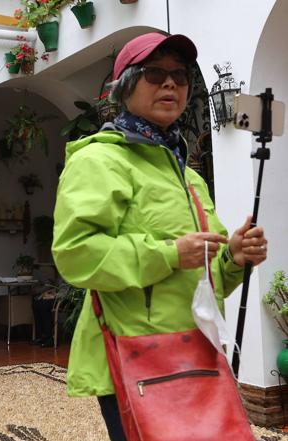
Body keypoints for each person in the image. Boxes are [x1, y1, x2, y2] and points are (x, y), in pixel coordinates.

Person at [51, 32, 268, 441]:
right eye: (155, 73)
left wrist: (234, 258)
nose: (170, 84)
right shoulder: (100, 160)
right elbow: (76, 254)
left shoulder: (187, 176)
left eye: (180, 76)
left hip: (196, 348)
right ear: (126, 85)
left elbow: (209, 278)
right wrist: (169, 254)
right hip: (137, 351)